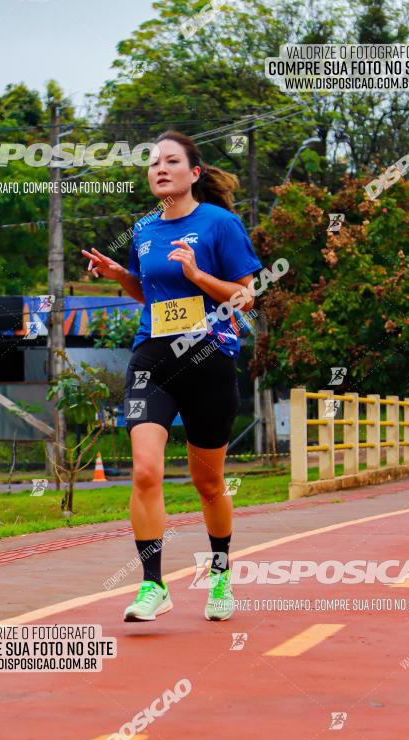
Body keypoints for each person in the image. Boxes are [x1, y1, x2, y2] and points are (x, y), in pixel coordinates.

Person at [82, 130, 262, 622]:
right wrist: (121, 275)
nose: (160, 169)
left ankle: (221, 575)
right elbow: (150, 296)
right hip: (153, 360)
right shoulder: (143, 230)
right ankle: (152, 585)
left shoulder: (220, 224)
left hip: (208, 361)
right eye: (153, 163)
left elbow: (246, 296)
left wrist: (200, 276)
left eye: (171, 161)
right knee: (145, 472)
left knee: (209, 485)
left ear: (194, 173)